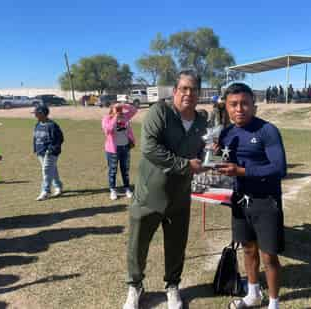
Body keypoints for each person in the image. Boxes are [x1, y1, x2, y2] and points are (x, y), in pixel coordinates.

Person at [124, 70, 207, 309]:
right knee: (138, 246)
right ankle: (135, 286)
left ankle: (172, 286)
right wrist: (185, 165)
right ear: (175, 91)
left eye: (193, 89)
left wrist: (207, 156)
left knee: (176, 246)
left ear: (199, 93)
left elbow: (203, 150)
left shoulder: (202, 121)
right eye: (184, 88)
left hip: (180, 197)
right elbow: (149, 148)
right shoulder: (159, 112)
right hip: (149, 195)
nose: (188, 94)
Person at [216, 83, 287, 309]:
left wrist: (242, 171)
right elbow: (221, 161)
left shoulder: (267, 130)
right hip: (239, 200)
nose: (239, 109)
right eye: (233, 104)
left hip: (266, 201)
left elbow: (280, 168)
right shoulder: (226, 133)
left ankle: (274, 304)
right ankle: (253, 294)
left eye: (245, 104)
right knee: (247, 249)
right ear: (226, 107)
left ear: (254, 106)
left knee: (269, 256)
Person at [102, 102, 137, 200]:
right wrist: (115, 117)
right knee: (113, 170)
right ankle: (113, 190)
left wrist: (123, 104)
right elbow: (108, 130)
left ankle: (127, 188)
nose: (119, 110)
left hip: (125, 147)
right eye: (117, 108)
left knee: (125, 170)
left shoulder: (125, 116)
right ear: (111, 109)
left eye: (120, 109)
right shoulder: (107, 118)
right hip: (113, 149)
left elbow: (134, 110)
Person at [33, 105, 64, 201]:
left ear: (42, 113)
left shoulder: (52, 125)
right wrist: (35, 149)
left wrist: (50, 150)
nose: (35, 115)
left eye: (36, 113)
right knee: (52, 170)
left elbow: (59, 139)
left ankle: (45, 191)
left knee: (46, 171)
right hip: (40, 152)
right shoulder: (37, 124)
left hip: (50, 153)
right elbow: (35, 138)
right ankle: (58, 186)